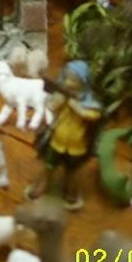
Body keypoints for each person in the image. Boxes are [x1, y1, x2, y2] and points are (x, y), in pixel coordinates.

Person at [25, 60, 103, 211]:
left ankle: (70, 189)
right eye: (66, 78)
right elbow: (50, 106)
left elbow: (95, 115)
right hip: (57, 140)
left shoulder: (88, 101)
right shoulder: (63, 94)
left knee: (71, 170)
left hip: (77, 145)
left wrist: (79, 110)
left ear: (83, 81)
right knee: (49, 164)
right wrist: (57, 102)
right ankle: (44, 184)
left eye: (73, 80)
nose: (67, 82)